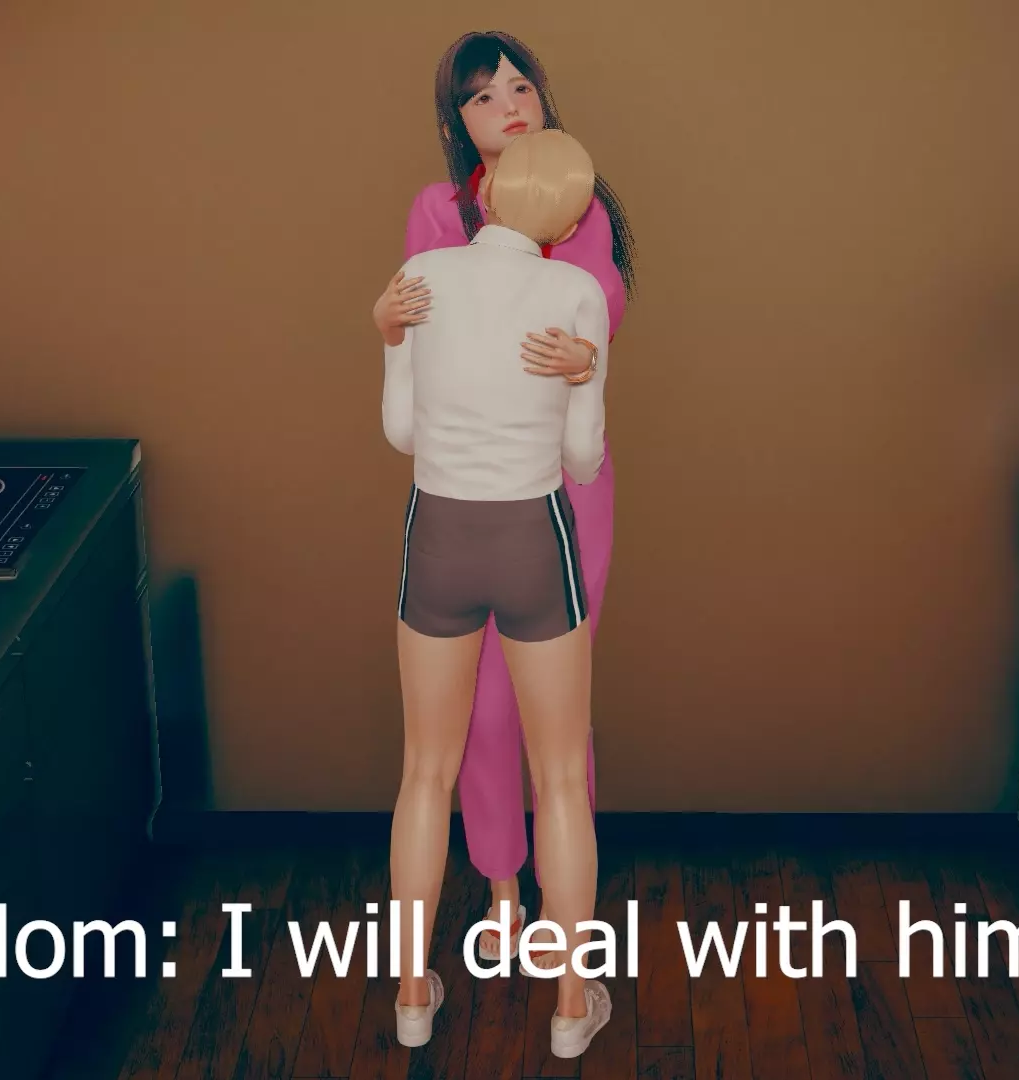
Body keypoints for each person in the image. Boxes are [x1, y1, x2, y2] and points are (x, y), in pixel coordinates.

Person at [371, 27, 637, 969]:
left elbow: (597, 327)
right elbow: (419, 342)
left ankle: (564, 919)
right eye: (483, 95)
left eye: (520, 86)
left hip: (566, 489)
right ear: (459, 121)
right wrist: (388, 329)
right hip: (467, 490)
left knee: (558, 710)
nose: (509, 105)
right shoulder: (436, 214)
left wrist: (583, 358)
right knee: (478, 711)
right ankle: (501, 885)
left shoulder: (583, 207)